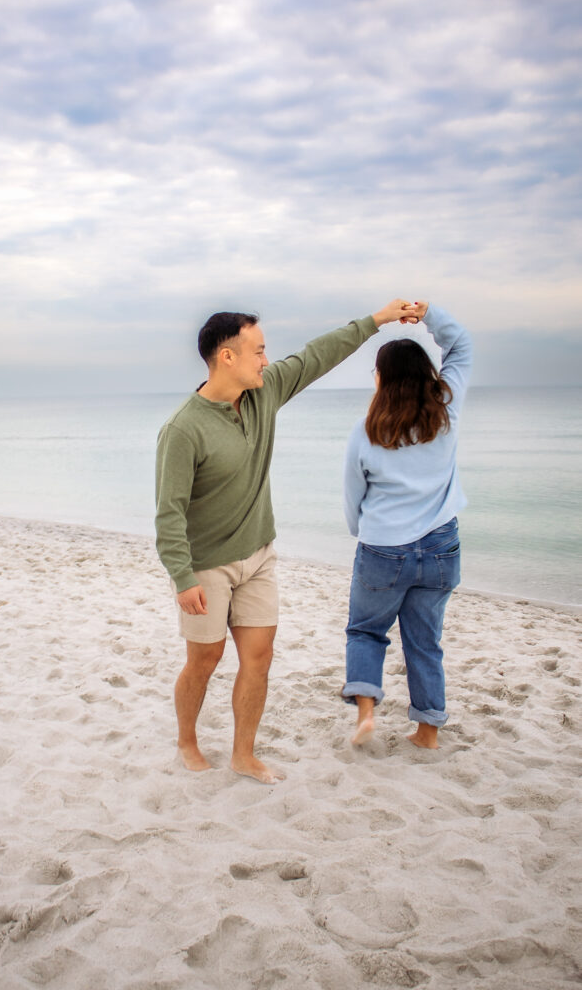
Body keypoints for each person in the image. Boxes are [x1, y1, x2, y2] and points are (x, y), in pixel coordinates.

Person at [155, 298, 420, 784]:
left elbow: (319, 354)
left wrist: (378, 320)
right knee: (205, 658)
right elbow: (169, 513)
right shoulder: (182, 429)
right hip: (206, 565)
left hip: (258, 555)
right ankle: (187, 741)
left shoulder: (265, 393)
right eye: (257, 351)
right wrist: (182, 576)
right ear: (227, 357)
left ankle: (242, 754)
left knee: (259, 658)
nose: (266, 360)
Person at [341, 301, 472, 749]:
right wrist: (428, 313)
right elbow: (462, 346)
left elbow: (352, 497)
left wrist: (364, 532)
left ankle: (366, 713)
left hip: (382, 548)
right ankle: (428, 733)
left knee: (365, 630)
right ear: (427, 376)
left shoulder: (367, 429)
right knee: (425, 641)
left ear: (381, 378)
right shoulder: (446, 414)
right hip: (440, 548)